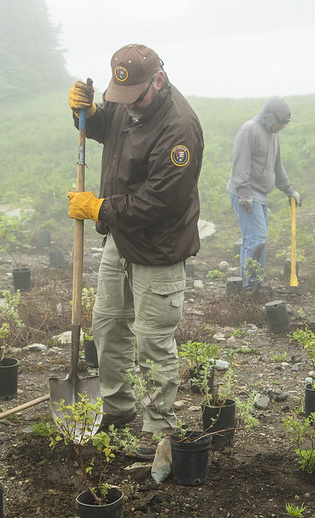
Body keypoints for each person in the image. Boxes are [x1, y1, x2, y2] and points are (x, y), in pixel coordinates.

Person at [66, 43, 204, 459]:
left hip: (158, 248)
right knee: (107, 324)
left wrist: (99, 207)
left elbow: (158, 202)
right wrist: (85, 115)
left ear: (157, 80)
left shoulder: (180, 129)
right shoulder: (131, 104)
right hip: (121, 239)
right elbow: (110, 128)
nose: (128, 106)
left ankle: (159, 425)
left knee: (152, 339)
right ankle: (118, 407)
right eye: (118, 98)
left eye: (134, 98)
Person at [227, 97, 301, 290]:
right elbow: (240, 163)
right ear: (269, 117)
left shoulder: (273, 135)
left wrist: (289, 189)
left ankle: (253, 281)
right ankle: (251, 285)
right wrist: (244, 192)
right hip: (246, 192)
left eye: (286, 123)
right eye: (281, 122)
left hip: (261, 194)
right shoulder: (249, 130)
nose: (283, 127)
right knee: (256, 238)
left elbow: (277, 166)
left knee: (259, 240)